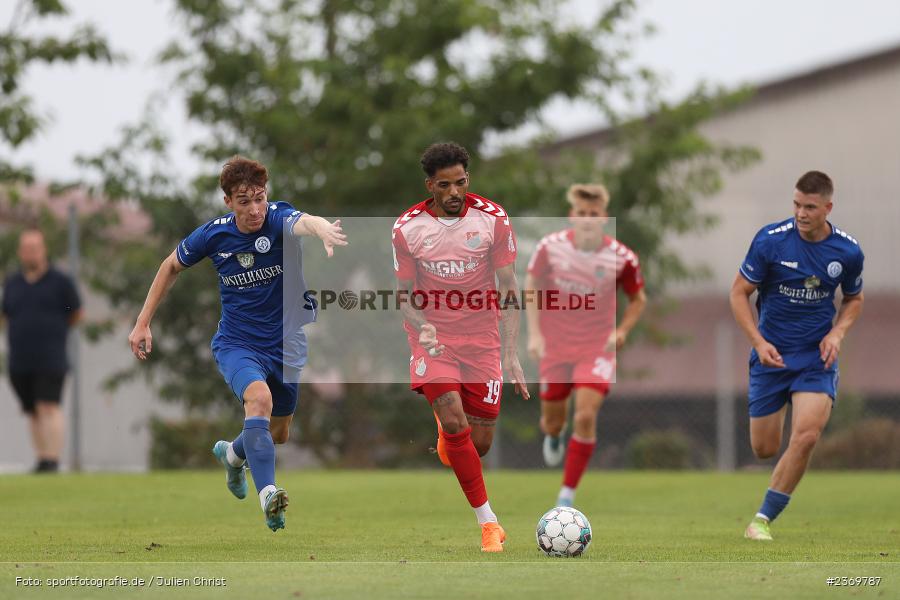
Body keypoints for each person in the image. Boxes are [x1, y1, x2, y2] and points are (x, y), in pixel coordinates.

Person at [128, 156, 347, 532]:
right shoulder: (214, 235)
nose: (255, 209)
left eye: (260, 198)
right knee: (258, 400)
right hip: (237, 343)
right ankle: (269, 495)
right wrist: (142, 322)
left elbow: (305, 221)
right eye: (244, 201)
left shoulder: (278, 218)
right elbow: (171, 266)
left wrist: (323, 229)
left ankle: (232, 455)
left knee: (278, 433)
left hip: (287, 345)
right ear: (228, 201)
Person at [392, 142, 529, 552]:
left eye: (462, 183)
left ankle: (448, 431)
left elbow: (509, 287)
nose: (455, 193)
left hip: (483, 339)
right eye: (446, 185)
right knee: (454, 422)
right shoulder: (407, 227)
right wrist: (423, 326)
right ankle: (489, 524)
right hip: (432, 338)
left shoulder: (492, 219)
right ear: (430, 185)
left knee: (477, 444)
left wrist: (510, 352)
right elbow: (402, 295)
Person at [730, 170, 864, 541]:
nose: (801, 213)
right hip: (771, 357)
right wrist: (758, 342)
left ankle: (762, 520)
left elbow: (854, 298)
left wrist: (837, 333)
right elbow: (738, 293)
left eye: (809, 207)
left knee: (805, 436)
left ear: (827, 207)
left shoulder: (847, 251)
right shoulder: (771, 241)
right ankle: (765, 501)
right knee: (764, 448)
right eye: (796, 205)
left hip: (815, 359)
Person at [525, 183, 646, 508]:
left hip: (596, 348)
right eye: (582, 214)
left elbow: (637, 299)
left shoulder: (622, 258)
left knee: (585, 418)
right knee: (554, 421)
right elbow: (532, 284)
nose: (588, 220)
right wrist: (534, 334)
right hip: (555, 347)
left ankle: (566, 495)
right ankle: (553, 434)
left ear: (604, 217)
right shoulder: (550, 248)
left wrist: (622, 330)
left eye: (594, 215)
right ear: (572, 217)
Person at [2, 228, 83, 473]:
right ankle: (41, 458)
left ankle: (52, 459)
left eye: (34, 248)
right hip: (19, 358)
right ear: (20, 252)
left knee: (48, 405)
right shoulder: (12, 283)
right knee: (32, 409)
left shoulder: (61, 282)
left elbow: (76, 313)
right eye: (26, 249)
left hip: (51, 356)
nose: (30, 253)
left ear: (43, 249)